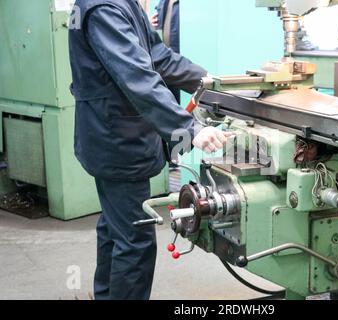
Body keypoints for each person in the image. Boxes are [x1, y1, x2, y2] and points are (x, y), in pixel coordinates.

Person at [68, 0, 232, 300]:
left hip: (114, 135)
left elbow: (158, 57)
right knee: (135, 240)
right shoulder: (104, 7)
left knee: (114, 228)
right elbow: (138, 76)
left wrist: (211, 82)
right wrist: (190, 128)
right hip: (116, 140)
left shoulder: (121, 3)